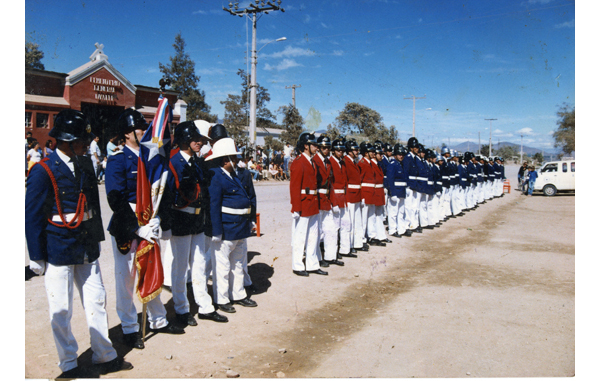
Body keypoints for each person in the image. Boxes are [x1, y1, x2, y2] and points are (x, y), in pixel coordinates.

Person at [25, 109, 132, 378]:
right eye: (82, 140)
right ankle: (69, 363)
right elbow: (33, 216)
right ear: (66, 140)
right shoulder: (43, 170)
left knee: (96, 299)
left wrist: (96, 240)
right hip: (58, 245)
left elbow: (93, 207)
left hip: (85, 244)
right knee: (61, 308)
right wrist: (36, 256)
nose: (87, 144)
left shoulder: (85, 164)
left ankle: (104, 354)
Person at [105, 109, 184, 350]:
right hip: (128, 224)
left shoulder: (151, 158)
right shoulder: (118, 161)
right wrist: (136, 229)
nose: (144, 131)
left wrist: (157, 218)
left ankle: (158, 320)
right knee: (126, 278)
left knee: (152, 270)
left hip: (150, 220)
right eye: (139, 128)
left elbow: (158, 193)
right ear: (127, 133)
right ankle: (129, 327)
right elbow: (115, 199)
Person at [167, 121, 229, 324]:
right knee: (181, 266)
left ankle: (205, 306)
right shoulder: (174, 162)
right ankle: (182, 309)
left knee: (200, 264)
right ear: (185, 139)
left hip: (197, 219)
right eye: (196, 139)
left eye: (200, 140)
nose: (200, 143)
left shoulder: (196, 161)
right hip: (181, 218)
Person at [206, 137, 258, 312]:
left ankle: (238, 294)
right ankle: (221, 299)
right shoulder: (216, 176)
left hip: (240, 228)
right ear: (224, 160)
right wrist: (216, 231)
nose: (237, 161)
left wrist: (250, 221)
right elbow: (213, 205)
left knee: (237, 264)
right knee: (222, 266)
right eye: (233, 158)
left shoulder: (236, 175)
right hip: (226, 229)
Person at [289, 132, 328, 276]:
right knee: (300, 237)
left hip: (312, 204)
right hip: (304, 204)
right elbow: (294, 187)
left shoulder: (311, 161)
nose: (317, 148)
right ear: (306, 146)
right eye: (314, 145)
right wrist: (296, 208)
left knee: (313, 236)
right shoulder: (299, 162)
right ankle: (298, 265)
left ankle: (312, 264)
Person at [314, 135, 343, 267]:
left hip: (327, 199)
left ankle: (331, 256)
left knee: (330, 229)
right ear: (319, 148)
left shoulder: (328, 162)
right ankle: (317, 257)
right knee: (318, 231)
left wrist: (334, 201)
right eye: (323, 147)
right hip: (317, 199)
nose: (326, 150)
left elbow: (330, 183)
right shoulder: (314, 160)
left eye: (328, 148)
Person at [344, 140, 367, 254]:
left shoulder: (354, 162)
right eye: (355, 149)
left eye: (357, 149)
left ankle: (358, 243)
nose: (357, 151)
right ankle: (350, 244)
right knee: (351, 222)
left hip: (357, 195)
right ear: (349, 151)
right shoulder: (346, 162)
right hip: (350, 196)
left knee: (357, 221)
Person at [385, 144, 410, 238]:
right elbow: (390, 180)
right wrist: (392, 193)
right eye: (399, 154)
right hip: (395, 192)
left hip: (402, 192)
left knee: (401, 212)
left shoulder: (402, 164)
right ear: (395, 155)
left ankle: (401, 229)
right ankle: (392, 229)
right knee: (393, 212)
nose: (401, 156)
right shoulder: (392, 165)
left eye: (402, 154)